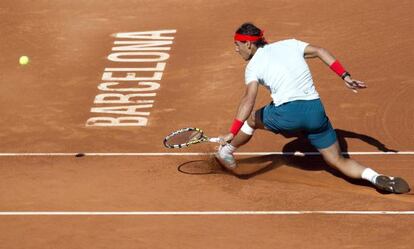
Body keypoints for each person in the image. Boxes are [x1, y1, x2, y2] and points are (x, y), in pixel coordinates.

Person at [215, 22, 410, 194]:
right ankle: (376, 177)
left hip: (288, 115)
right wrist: (345, 76)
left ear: (248, 44)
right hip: (316, 112)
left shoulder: (253, 66)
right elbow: (320, 51)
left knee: (252, 120)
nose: (236, 50)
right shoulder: (290, 44)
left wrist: (232, 131)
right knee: (338, 160)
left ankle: (227, 151)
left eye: (237, 45)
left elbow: (249, 98)